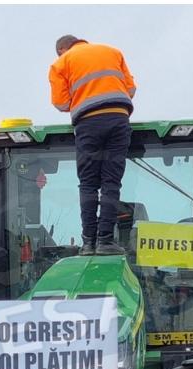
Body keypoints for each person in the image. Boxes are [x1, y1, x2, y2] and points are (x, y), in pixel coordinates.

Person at [50, 34, 137, 256]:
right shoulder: (113, 52)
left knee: (88, 183)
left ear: (62, 50)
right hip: (118, 117)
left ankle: (88, 242)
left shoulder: (61, 63)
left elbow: (61, 103)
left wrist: (81, 96)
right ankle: (105, 241)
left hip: (88, 123)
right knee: (111, 182)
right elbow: (131, 90)